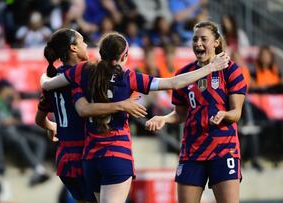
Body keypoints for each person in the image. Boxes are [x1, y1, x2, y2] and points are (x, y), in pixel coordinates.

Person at [40, 32, 229, 203]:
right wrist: (210, 67)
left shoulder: (84, 72)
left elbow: (55, 89)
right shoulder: (128, 77)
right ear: (125, 56)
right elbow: (174, 82)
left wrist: (44, 80)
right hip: (115, 154)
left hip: (87, 157)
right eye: (82, 41)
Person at [35, 28, 149, 203]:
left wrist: (52, 126)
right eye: (82, 42)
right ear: (73, 48)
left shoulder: (53, 79)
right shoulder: (85, 71)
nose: (87, 45)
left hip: (64, 160)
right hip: (84, 153)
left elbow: (39, 119)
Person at [145, 21, 247, 203]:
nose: (198, 43)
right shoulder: (184, 74)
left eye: (203, 39)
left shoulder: (231, 70)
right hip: (192, 151)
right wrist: (164, 119)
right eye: (195, 39)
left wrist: (224, 115)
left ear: (216, 42)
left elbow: (236, 113)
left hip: (223, 150)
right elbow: (180, 114)